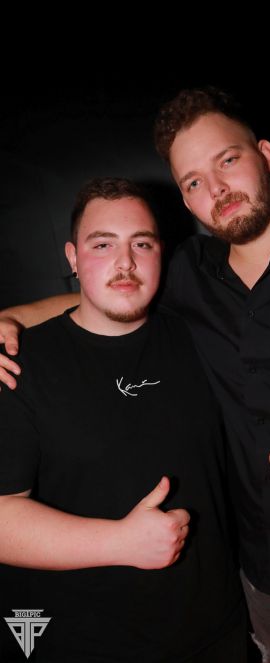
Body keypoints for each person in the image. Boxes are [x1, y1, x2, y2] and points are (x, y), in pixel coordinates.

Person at [1, 89, 270, 661]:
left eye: (227, 160)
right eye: (193, 181)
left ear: (266, 155)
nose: (216, 189)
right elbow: (109, 291)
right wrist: (8, 318)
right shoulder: (189, 275)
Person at [0, 177, 246, 662]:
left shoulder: (202, 337)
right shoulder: (19, 364)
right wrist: (119, 542)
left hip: (217, 630)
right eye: (102, 244)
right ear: (72, 258)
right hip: (86, 642)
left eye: (141, 243)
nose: (125, 262)